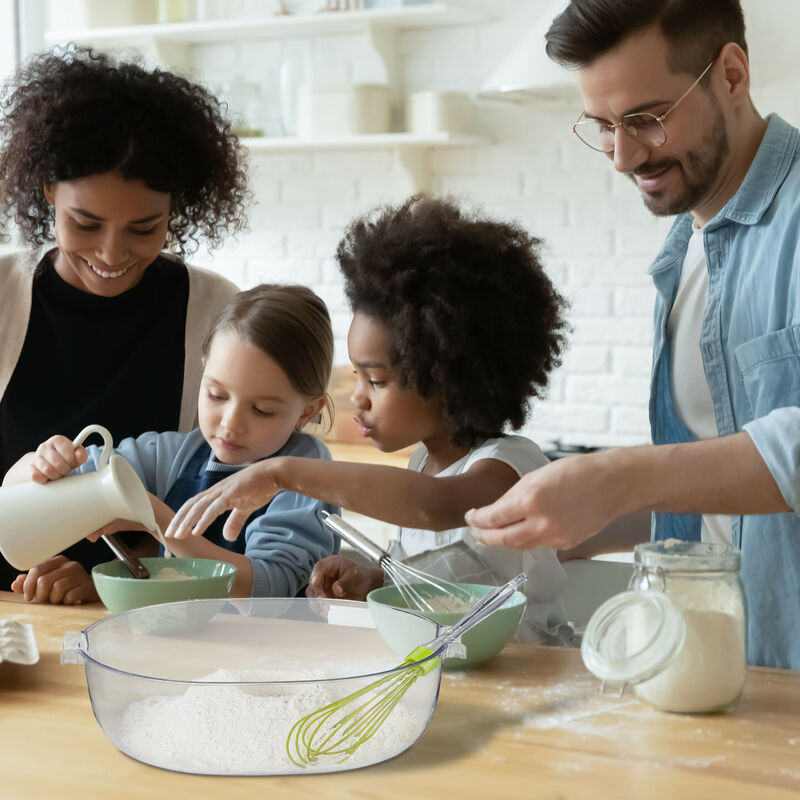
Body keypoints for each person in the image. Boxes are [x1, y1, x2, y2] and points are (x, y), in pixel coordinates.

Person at [466, 0, 800, 669]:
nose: (622, 157)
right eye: (602, 126)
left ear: (731, 74)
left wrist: (620, 475)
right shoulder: (686, 246)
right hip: (724, 665)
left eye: (646, 119)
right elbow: (709, 492)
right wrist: (558, 530)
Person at [164, 195, 572, 644]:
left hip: (532, 671)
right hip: (450, 671)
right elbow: (440, 578)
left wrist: (283, 473)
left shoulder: (506, 468)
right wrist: (375, 580)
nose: (356, 396)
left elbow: (434, 507)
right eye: (357, 374)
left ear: (448, 380)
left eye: (375, 381)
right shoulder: (421, 463)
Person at [0, 46, 249, 600]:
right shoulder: (3, 297)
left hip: (142, 604)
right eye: (85, 223)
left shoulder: (216, 311)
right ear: (47, 191)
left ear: (176, 209)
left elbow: (223, 496)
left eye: (144, 228)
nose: (112, 254)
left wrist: (104, 576)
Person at [3, 285, 339, 601]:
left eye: (262, 410)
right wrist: (44, 462)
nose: (230, 422)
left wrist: (159, 519)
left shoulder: (308, 474)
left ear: (308, 410)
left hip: (273, 654)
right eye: (216, 395)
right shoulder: (176, 454)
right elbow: (20, 491)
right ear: (203, 369)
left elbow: (267, 589)